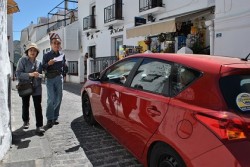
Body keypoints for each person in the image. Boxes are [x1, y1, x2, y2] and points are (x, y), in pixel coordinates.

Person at [16, 43, 45, 134]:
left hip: (36, 87)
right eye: (31, 50)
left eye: (34, 50)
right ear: (27, 51)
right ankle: (26, 121)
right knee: (25, 104)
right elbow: (18, 74)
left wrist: (39, 75)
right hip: (25, 86)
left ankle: (39, 126)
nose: (32, 52)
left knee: (38, 106)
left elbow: (42, 75)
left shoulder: (39, 62)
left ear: (37, 52)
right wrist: (30, 74)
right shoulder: (22, 60)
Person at [42, 35, 66, 128]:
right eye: (54, 43)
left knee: (59, 98)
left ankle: (55, 117)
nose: (56, 45)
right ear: (51, 44)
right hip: (50, 78)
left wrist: (64, 72)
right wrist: (48, 63)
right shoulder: (46, 55)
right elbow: (43, 67)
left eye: (58, 43)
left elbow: (64, 65)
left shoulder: (62, 55)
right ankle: (49, 118)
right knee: (51, 98)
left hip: (59, 78)